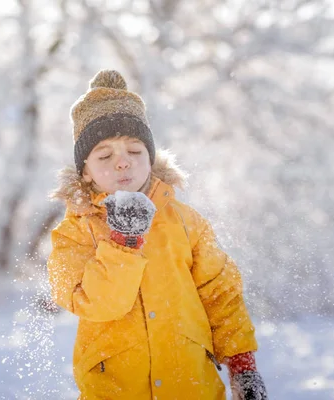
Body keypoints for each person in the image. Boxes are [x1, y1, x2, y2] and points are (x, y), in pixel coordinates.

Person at [47, 69, 268, 400]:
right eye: (105, 155)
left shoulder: (186, 221)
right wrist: (123, 243)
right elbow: (95, 303)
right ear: (86, 172)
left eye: (134, 151)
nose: (122, 162)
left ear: (150, 159)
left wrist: (242, 363)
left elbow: (220, 293)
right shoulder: (74, 234)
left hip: (192, 386)